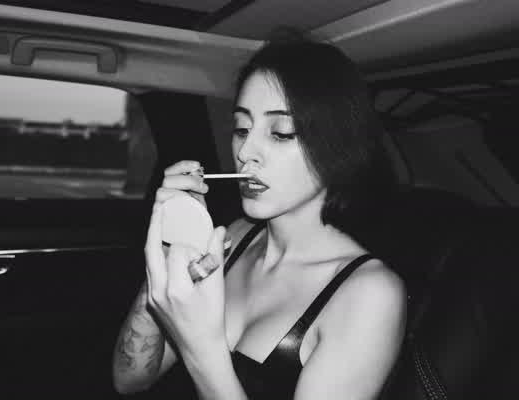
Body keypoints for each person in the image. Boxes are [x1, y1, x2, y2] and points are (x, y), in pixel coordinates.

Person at [112, 35, 407, 400]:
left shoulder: (370, 295)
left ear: (339, 145)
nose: (246, 152)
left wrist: (200, 347)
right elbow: (129, 380)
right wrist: (170, 250)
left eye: (280, 133)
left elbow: (193, 355)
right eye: (241, 129)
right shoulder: (233, 238)